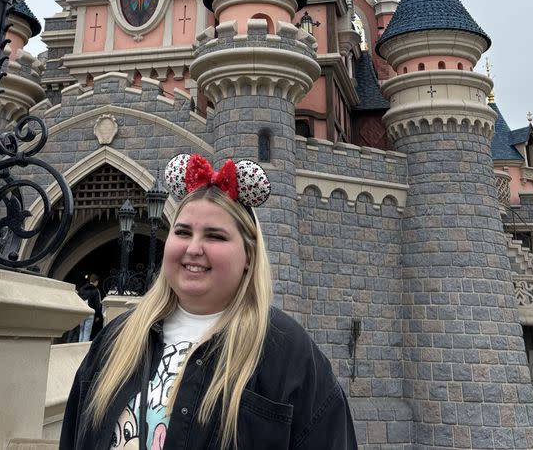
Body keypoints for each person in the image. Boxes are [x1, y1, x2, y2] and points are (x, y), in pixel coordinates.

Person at [60, 154, 357, 449]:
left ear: (249, 256)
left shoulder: (288, 352)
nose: (193, 248)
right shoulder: (118, 338)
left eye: (214, 236)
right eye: (183, 232)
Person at [77, 273, 104, 342]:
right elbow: (98, 304)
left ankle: (79, 347)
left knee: (81, 331)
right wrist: (98, 315)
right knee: (87, 333)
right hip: (90, 313)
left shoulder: (82, 289)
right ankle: (83, 350)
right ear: (96, 281)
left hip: (82, 312)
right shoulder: (96, 290)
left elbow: (77, 300)